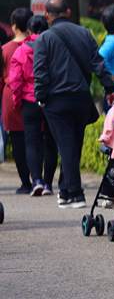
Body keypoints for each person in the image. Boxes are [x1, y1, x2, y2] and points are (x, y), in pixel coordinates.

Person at [33, 0, 114, 208]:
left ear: (47, 16)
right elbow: (98, 64)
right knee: (73, 145)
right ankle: (65, 191)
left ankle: (77, 195)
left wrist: (41, 98)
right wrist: (109, 89)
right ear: (68, 12)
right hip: (81, 99)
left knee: (66, 146)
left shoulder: (44, 38)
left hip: (56, 101)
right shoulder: (84, 33)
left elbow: (40, 73)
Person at [10, 15, 63, 198]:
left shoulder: (20, 50)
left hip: (29, 101)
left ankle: (36, 181)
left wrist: (18, 102)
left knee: (31, 141)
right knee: (51, 142)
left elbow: (15, 81)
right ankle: (48, 182)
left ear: (29, 31)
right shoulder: (54, 48)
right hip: (50, 101)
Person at [1, 7, 35, 194]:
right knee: (36, 140)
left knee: (17, 142)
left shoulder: (5, 50)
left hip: (11, 100)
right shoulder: (38, 46)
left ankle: (25, 182)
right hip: (33, 97)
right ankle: (39, 178)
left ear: (14, 26)